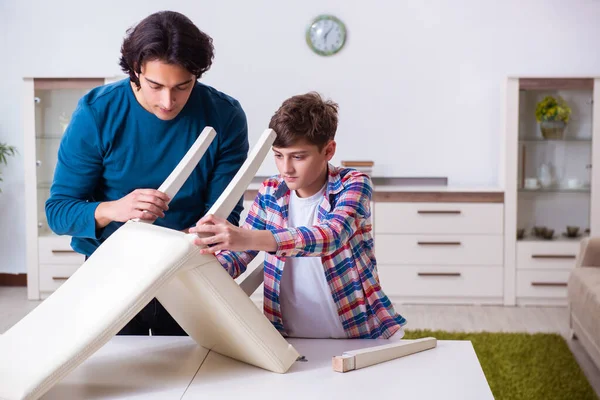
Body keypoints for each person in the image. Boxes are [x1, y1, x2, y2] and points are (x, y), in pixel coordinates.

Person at [45, 11, 249, 336]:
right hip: (109, 271)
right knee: (118, 378)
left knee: (197, 379)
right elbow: (58, 212)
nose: (168, 102)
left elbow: (226, 213)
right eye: (155, 86)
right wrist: (115, 209)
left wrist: (197, 238)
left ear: (197, 75)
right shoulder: (97, 113)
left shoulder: (225, 115)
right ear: (135, 72)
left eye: (183, 87)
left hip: (188, 270)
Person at [190, 92, 406, 339]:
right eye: (278, 155)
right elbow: (238, 254)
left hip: (360, 333)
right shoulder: (271, 191)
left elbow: (331, 235)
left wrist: (248, 238)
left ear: (328, 151)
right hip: (290, 337)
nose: (286, 168)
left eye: (298, 157)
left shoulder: (353, 183)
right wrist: (203, 265)